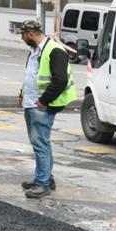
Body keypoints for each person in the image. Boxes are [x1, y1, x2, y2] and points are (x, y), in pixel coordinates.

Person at [17, 20, 76, 200]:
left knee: (40, 144)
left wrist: (44, 101)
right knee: (42, 143)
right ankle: (45, 178)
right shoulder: (35, 51)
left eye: (22, 35)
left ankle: (42, 184)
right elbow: (31, 75)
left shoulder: (55, 51)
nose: (22, 38)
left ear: (30, 34)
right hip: (32, 102)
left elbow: (60, 80)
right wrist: (21, 93)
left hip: (40, 105)